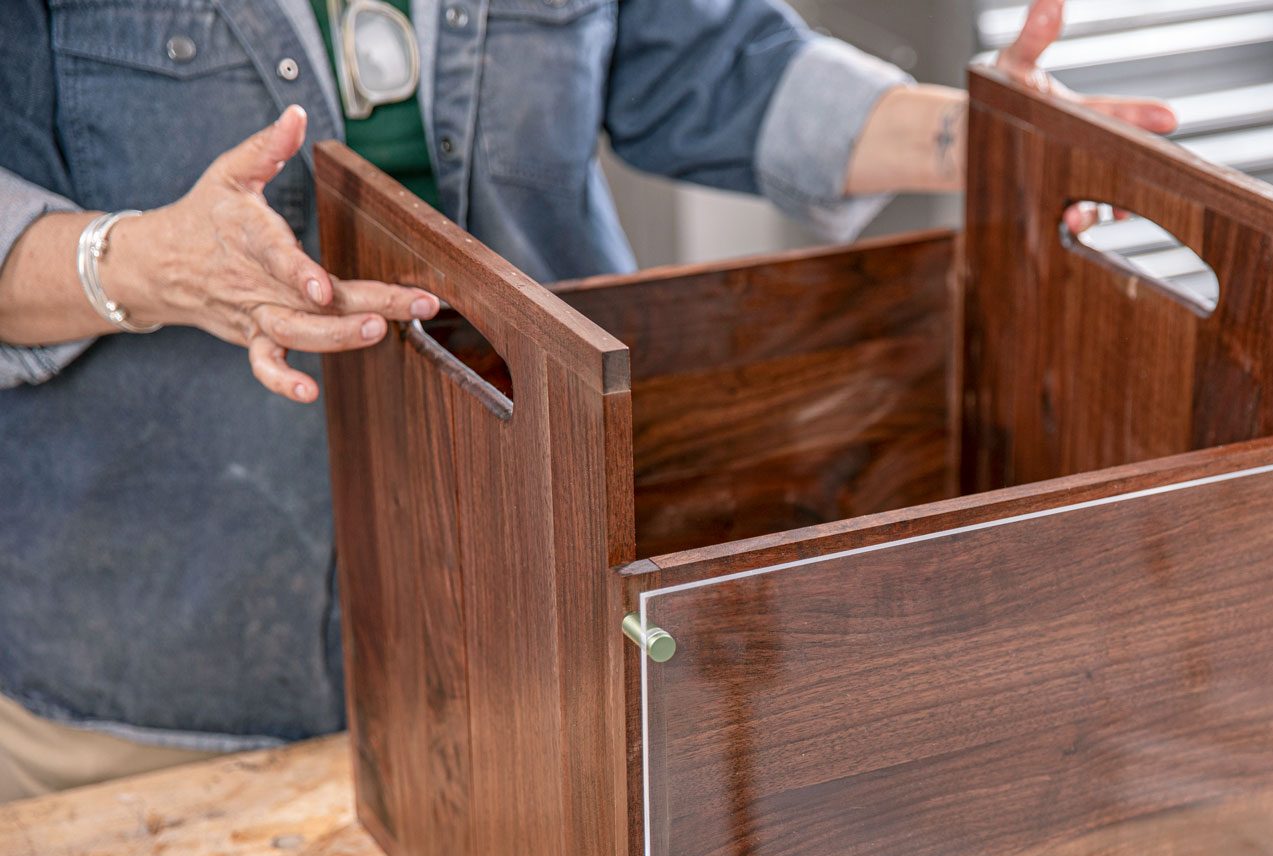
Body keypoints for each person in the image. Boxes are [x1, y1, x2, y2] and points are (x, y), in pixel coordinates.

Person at [0, 0, 1174, 802]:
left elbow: (721, 68)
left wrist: (984, 134)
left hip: (535, 633)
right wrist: (137, 262)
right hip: (155, 688)